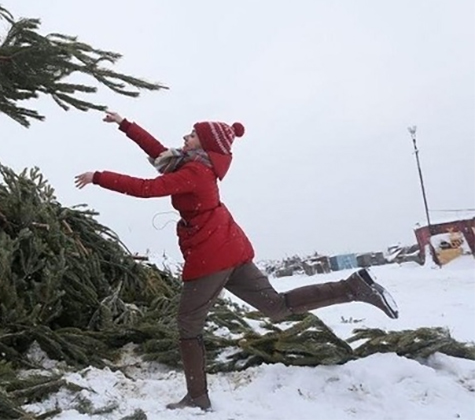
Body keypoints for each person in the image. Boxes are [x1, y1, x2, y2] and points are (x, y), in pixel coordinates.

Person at [74, 111, 399, 412]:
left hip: (211, 254)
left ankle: (197, 396)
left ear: (205, 145)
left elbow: (147, 189)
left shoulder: (194, 172)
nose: (185, 137)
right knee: (276, 306)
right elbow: (158, 151)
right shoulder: (189, 165)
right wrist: (125, 124)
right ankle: (353, 287)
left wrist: (98, 176)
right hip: (230, 247)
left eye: (192, 135)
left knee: (188, 322)